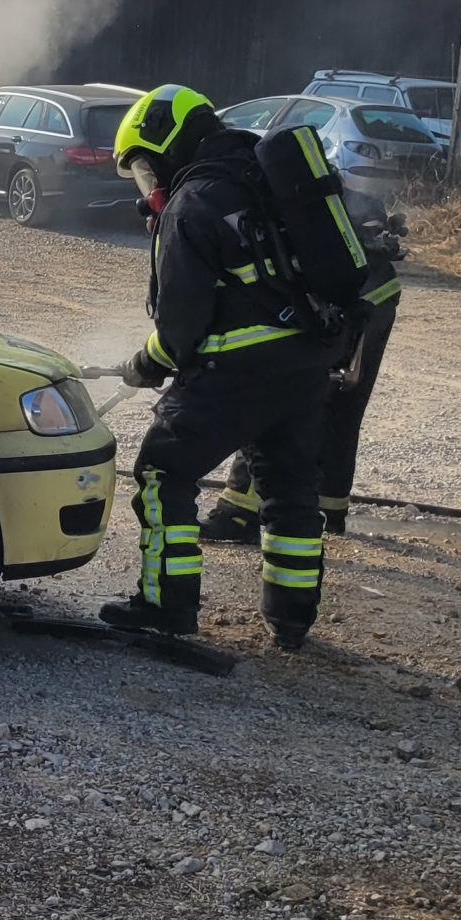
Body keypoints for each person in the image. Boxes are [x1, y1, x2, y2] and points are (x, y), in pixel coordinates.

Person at [102, 85, 335, 649]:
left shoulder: (193, 202)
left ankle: (167, 604)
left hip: (235, 372)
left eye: (145, 167)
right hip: (306, 366)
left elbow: (180, 330)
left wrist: (144, 363)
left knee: (162, 473)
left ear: (168, 143)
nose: (148, 184)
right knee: (290, 489)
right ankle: (291, 618)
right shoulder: (265, 179)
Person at [202, 191, 403, 543]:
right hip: (375, 291)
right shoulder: (287, 182)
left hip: (345, 298)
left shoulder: (224, 199)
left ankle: (239, 514)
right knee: (341, 405)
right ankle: (328, 512)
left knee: (274, 398)